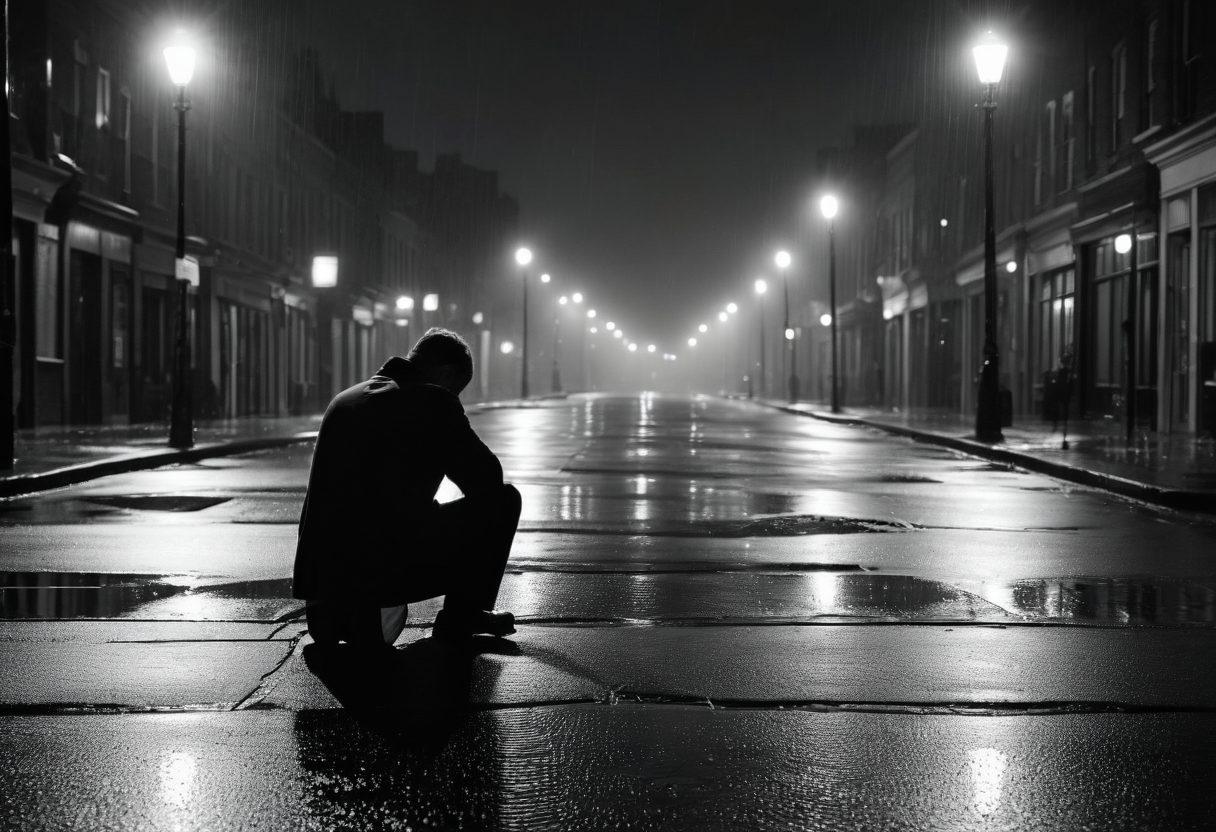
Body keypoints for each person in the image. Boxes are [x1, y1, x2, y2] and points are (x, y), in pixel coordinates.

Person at [293, 328, 521, 651]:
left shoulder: (345, 399)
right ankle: (462, 616)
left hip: (320, 591)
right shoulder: (434, 400)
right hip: (376, 581)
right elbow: (486, 479)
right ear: (446, 374)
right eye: (457, 390)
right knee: (504, 501)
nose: (456, 398)